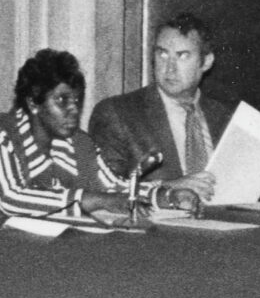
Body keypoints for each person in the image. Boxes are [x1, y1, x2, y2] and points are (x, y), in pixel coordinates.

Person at [0, 47, 144, 225]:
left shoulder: (78, 143)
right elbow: (11, 198)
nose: (74, 109)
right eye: (62, 100)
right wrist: (89, 199)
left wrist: (163, 195)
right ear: (33, 103)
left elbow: (113, 187)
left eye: (77, 99)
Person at [88, 12, 241, 199]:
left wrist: (256, 180)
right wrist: (167, 189)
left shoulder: (226, 116)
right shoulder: (118, 113)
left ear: (206, 61)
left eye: (182, 56)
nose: (170, 68)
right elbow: (102, 191)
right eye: (162, 54)